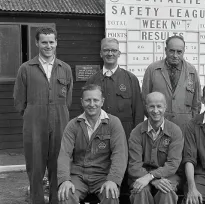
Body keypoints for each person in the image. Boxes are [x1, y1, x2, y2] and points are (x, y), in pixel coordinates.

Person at [13, 27, 73, 204]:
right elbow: (19, 101)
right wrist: (35, 115)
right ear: (37, 43)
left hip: (60, 122)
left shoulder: (65, 69)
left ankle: (57, 200)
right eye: (44, 42)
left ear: (56, 43)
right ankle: (37, 200)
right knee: (35, 167)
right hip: (34, 124)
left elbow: (68, 99)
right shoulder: (26, 69)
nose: (48, 46)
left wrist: (56, 114)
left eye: (51, 42)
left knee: (59, 166)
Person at [57, 84, 128, 204]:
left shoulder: (113, 123)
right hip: (78, 176)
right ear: (81, 102)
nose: (91, 104)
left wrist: (113, 180)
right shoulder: (73, 125)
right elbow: (64, 154)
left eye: (95, 100)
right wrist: (64, 180)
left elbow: (120, 154)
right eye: (87, 100)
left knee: (111, 194)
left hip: (103, 176)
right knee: (66, 195)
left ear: (102, 101)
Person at [128, 92, 184, 204]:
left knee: (166, 191)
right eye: (152, 106)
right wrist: (152, 180)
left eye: (159, 106)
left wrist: (151, 176)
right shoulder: (136, 132)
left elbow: (173, 164)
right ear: (146, 107)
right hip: (140, 175)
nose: (155, 110)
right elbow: (134, 165)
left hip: (168, 176)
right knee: (140, 190)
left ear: (165, 107)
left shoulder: (175, 131)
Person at [85, 37, 144, 139]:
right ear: (101, 53)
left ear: (119, 53)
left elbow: (138, 112)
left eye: (114, 50)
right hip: (98, 135)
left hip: (125, 135)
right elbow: (86, 110)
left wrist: (136, 138)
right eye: (106, 50)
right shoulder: (92, 80)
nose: (110, 53)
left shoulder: (131, 79)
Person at [142, 35, 201, 131]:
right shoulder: (153, 70)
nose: (175, 55)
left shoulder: (191, 71)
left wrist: (192, 124)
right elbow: (144, 99)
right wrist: (154, 119)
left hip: (185, 129)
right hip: (158, 127)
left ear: (183, 51)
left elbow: (196, 103)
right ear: (166, 50)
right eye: (172, 51)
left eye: (179, 52)